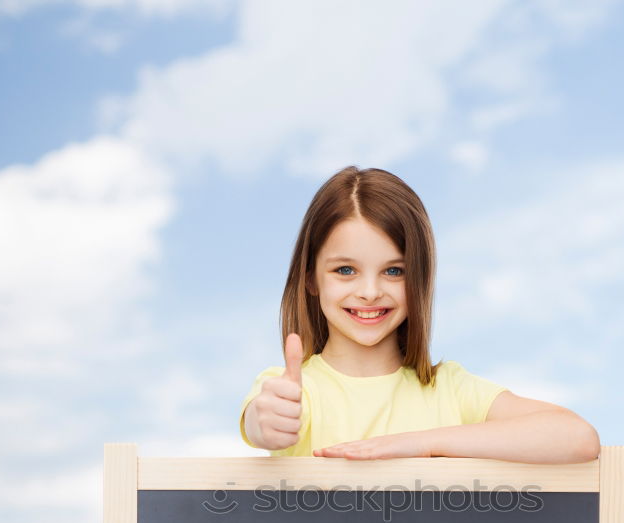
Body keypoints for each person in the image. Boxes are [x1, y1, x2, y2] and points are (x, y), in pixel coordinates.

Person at [239, 166, 599, 464]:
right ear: (311, 280)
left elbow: (578, 437)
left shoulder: (451, 391)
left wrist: (419, 443)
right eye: (345, 270)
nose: (369, 291)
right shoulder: (292, 391)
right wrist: (266, 422)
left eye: (394, 271)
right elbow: (262, 422)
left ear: (420, 281)